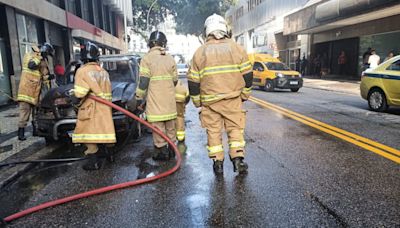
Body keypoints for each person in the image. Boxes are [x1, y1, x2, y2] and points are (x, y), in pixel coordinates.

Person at [188, 14, 253, 175]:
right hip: (233, 100)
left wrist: (197, 102)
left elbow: (193, 83)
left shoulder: (199, 53)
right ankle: (238, 160)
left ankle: (217, 163)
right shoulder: (237, 48)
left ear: (207, 31)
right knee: (235, 130)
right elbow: (248, 75)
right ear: (225, 29)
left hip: (210, 103)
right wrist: (245, 94)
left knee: (213, 132)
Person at [72, 42, 116, 170]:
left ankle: (93, 162)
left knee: (88, 135)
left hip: (91, 108)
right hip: (105, 108)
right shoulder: (103, 71)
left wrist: (73, 100)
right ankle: (110, 156)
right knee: (105, 131)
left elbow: (80, 93)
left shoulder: (82, 71)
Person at [135, 31, 178, 161]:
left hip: (155, 102)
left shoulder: (147, 59)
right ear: (163, 43)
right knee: (170, 126)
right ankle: (172, 150)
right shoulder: (170, 58)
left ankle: (161, 151)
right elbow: (175, 80)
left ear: (150, 44)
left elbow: (143, 82)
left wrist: (139, 98)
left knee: (158, 127)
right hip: (170, 102)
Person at [17, 43, 54, 141]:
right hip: (26, 90)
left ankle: (35, 130)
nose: (46, 57)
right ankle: (20, 133)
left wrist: (49, 78)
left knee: (36, 112)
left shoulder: (42, 60)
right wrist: (40, 56)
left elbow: (42, 75)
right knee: (25, 111)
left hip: (36, 90)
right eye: (46, 54)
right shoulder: (31, 55)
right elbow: (31, 65)